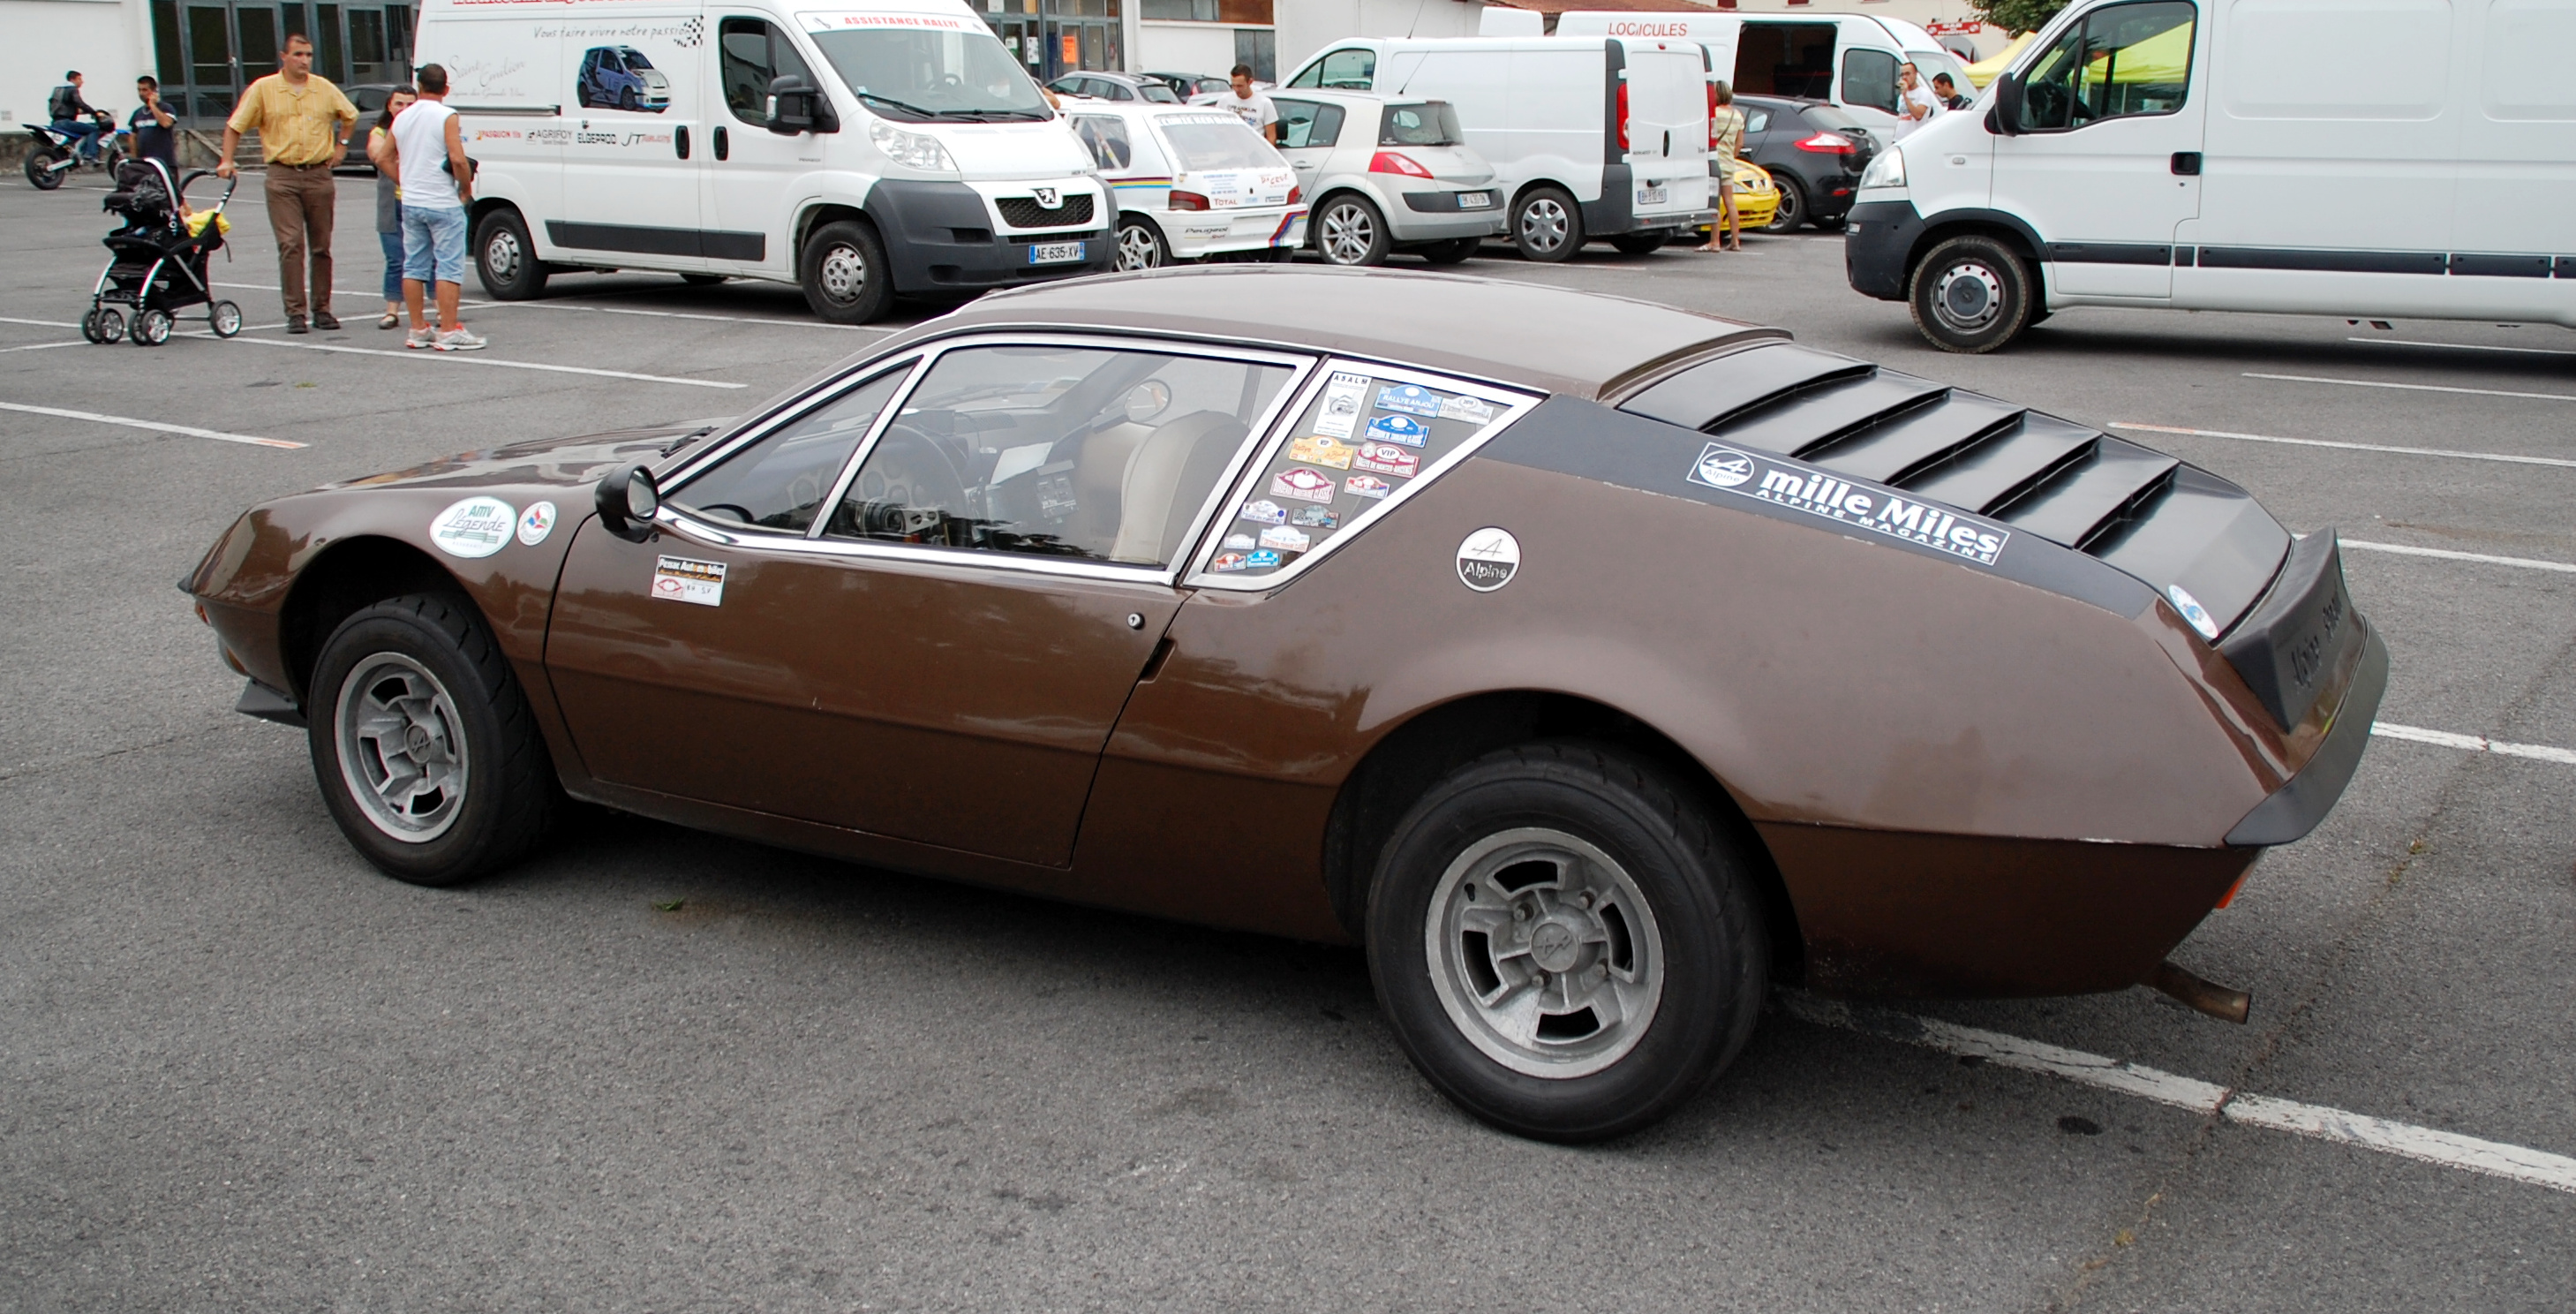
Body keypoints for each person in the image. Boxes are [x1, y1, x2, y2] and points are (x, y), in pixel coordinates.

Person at [217, 34, 358, 334]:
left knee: (321, 245)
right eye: (298, 54)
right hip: (282, 176)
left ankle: (322, 308)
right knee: (290, 244)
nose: (304, 61)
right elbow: (235, 125)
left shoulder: (323, 87)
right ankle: (295, 311)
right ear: (284, 56)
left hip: (318, 174)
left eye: (308, 55)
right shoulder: (264, 88)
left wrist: (342, 146)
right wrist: (227, 160)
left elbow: (350, 116)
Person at [386, 64, 485, 351]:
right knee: (448, 265)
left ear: (418, 86)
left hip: (412, 200)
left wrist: (403, 179)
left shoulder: (403, 117)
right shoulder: (446, 115)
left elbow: (382, 156)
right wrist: (465, 186)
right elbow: (457, 158)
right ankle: (448, 329)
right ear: (446, 88)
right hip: (441, 201)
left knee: (414, 264)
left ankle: (418, 328)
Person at [364, 87, 417, 329]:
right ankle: (392, 311)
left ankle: (439, 309)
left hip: (418, 202)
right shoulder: (380, 132)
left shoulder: (423, 129)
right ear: (389, 106)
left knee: (429, 259)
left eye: (410, 104)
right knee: (396, 259)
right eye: (399, 104)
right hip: (391, 205)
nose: (404, 109)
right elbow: (377, 154)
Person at [1696, 81, 1745, 253]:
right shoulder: (1737, 116)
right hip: (1729, 163)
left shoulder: (1713, 114)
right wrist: (1731, 156)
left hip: (1715, 164)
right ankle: (1735, 241)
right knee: (1730, 202)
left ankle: (1714, 241)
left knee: (1714, 203)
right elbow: (1739, 144)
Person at [48, 71, 113, 163]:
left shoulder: (57, 90)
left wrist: (85, 112)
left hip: (56, 122)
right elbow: (79, 103)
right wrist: (94, 113)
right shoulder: (72, 89)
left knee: (83, 129)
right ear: (72, 79)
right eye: (79, 79)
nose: (82, 82)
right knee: (93, 129)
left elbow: (65, 107)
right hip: (66, 122)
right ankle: (90, 155)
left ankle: (73, 154)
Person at [1219, 64, 1278, 143]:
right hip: (1229, 147)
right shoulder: (1224, 100)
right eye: (1233, 86)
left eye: (1240, 86)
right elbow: (1217, 129)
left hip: (1253, 148)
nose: (1236, 89)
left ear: (1250, 82)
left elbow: (1271, 137)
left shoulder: (1264, 104)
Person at [129, 77, 177, 171]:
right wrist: (134, 160)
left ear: (154, 90)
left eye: (145, 90)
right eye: (139, 90)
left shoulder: (166, 108)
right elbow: (133, 137)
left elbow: (166, 123)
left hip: (164, 163)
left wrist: (153, 105)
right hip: (144, 163)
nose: (141, 93)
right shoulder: (137, 113)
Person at [1895, 62, 1944, 140]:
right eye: (1902, 74)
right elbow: (1901, 119)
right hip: (1899, 139)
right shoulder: (1901, 96)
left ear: (1915, 74)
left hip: (1914, 138)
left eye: (1908, 74)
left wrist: (1905, 97)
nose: (1904, 77)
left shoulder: (1923, 93)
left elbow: (1918, 115)